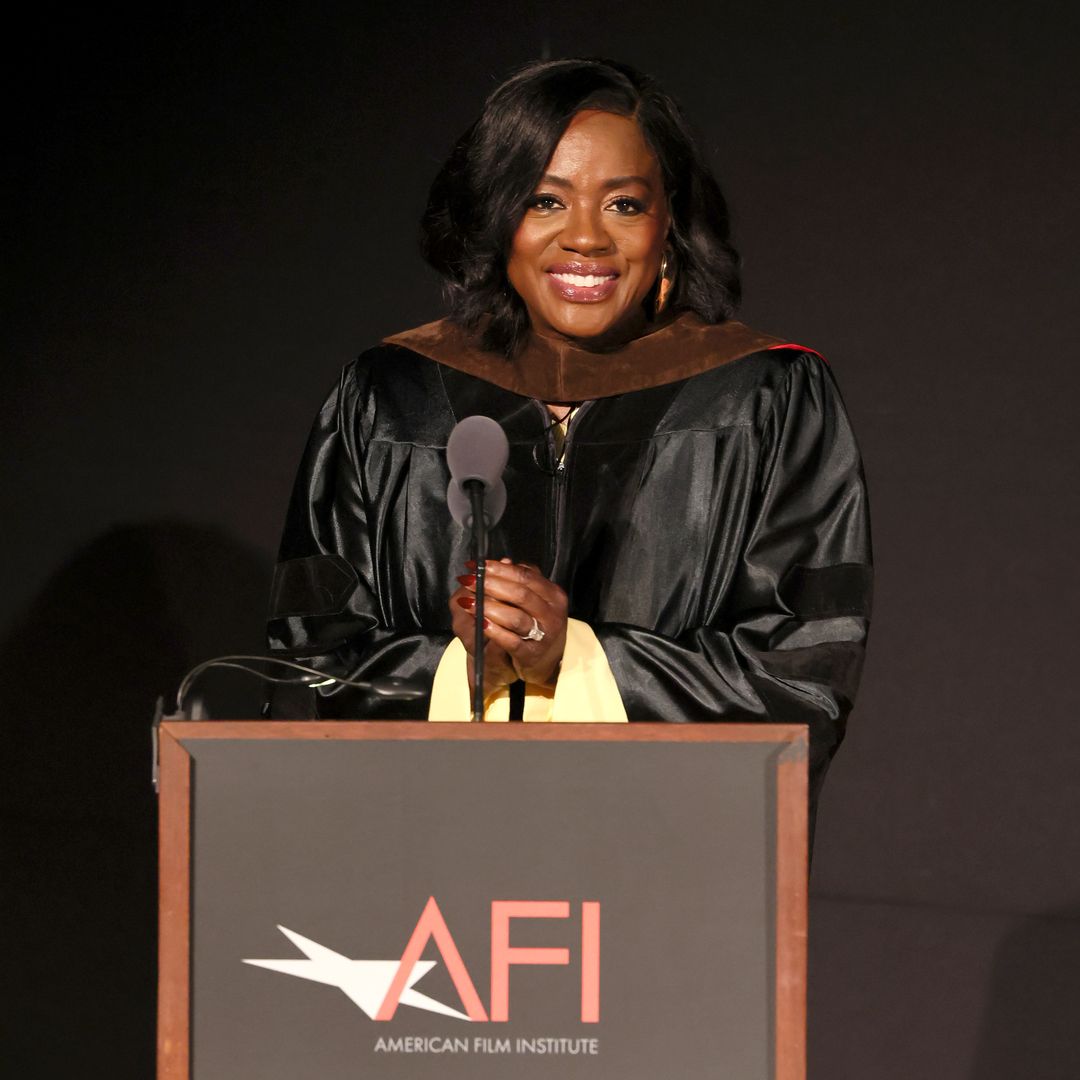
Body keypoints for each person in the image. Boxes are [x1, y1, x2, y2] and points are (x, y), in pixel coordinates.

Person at [267, 58, 872, 827]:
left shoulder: (769, 397)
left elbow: (802, 677)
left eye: (624, 203)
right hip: (417, 859)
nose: (585, 237)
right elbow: (304, 670)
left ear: (670, 225)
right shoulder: (390, 397)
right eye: (545, 199)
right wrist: (469, 665)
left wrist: (574, 659)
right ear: (497, 218)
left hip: (663, 862)